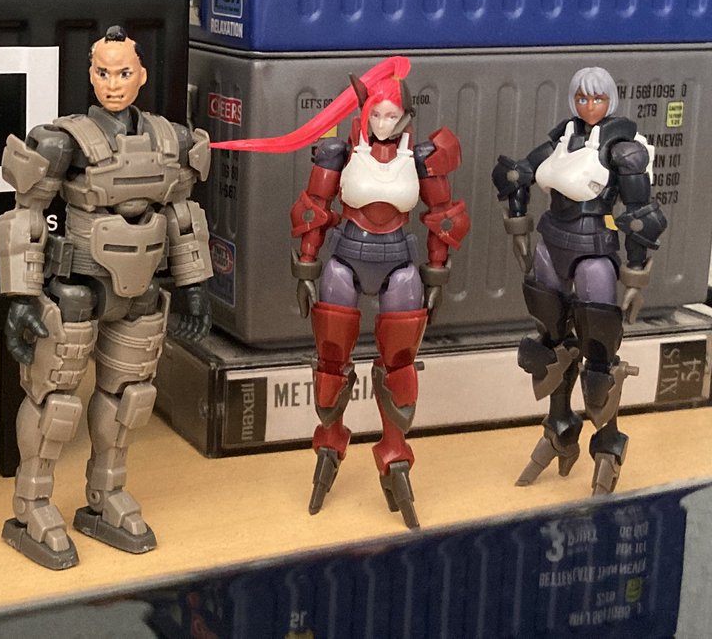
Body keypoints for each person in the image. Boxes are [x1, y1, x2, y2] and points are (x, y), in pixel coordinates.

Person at [212, 57, 469, 529]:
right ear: (365, 113)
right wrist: (307, 266)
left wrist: (436, 273)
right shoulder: (340, 152)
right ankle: (329, 439)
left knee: (399, 364)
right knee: (331, 359)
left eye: (392, 115)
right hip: (345, 258)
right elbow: (313, 207)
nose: (384, 122)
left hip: (399, 262)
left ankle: (394, 449)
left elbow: (445, 216)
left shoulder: (422, 157)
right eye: (377, 114)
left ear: (406, 116)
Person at [0, 25, 213, 569]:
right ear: (90, 75)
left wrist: (194, 283)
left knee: (130, 398)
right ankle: (32, 504)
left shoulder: (171, 140)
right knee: (55, 404)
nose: (113, 83)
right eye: (102, 72)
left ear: (141, 76)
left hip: (140, 293)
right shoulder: (62, 142)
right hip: (77, 291)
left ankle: (106, 493)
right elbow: (25, 217)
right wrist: (21, 296)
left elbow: (184, 215)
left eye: (123, 72)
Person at [493, 65, 666, 495]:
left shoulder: (623, 150)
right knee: (551, 347)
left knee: (599, 357)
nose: (590, 105)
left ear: (610, 100)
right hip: (551, 243)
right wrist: (519, 224)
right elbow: (516, 174)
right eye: (583, 98)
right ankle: (560, 427)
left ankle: (607, 445)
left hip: (594, 249)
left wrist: (635, 275)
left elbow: (640, 215)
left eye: (598, 98)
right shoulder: (562, 138)